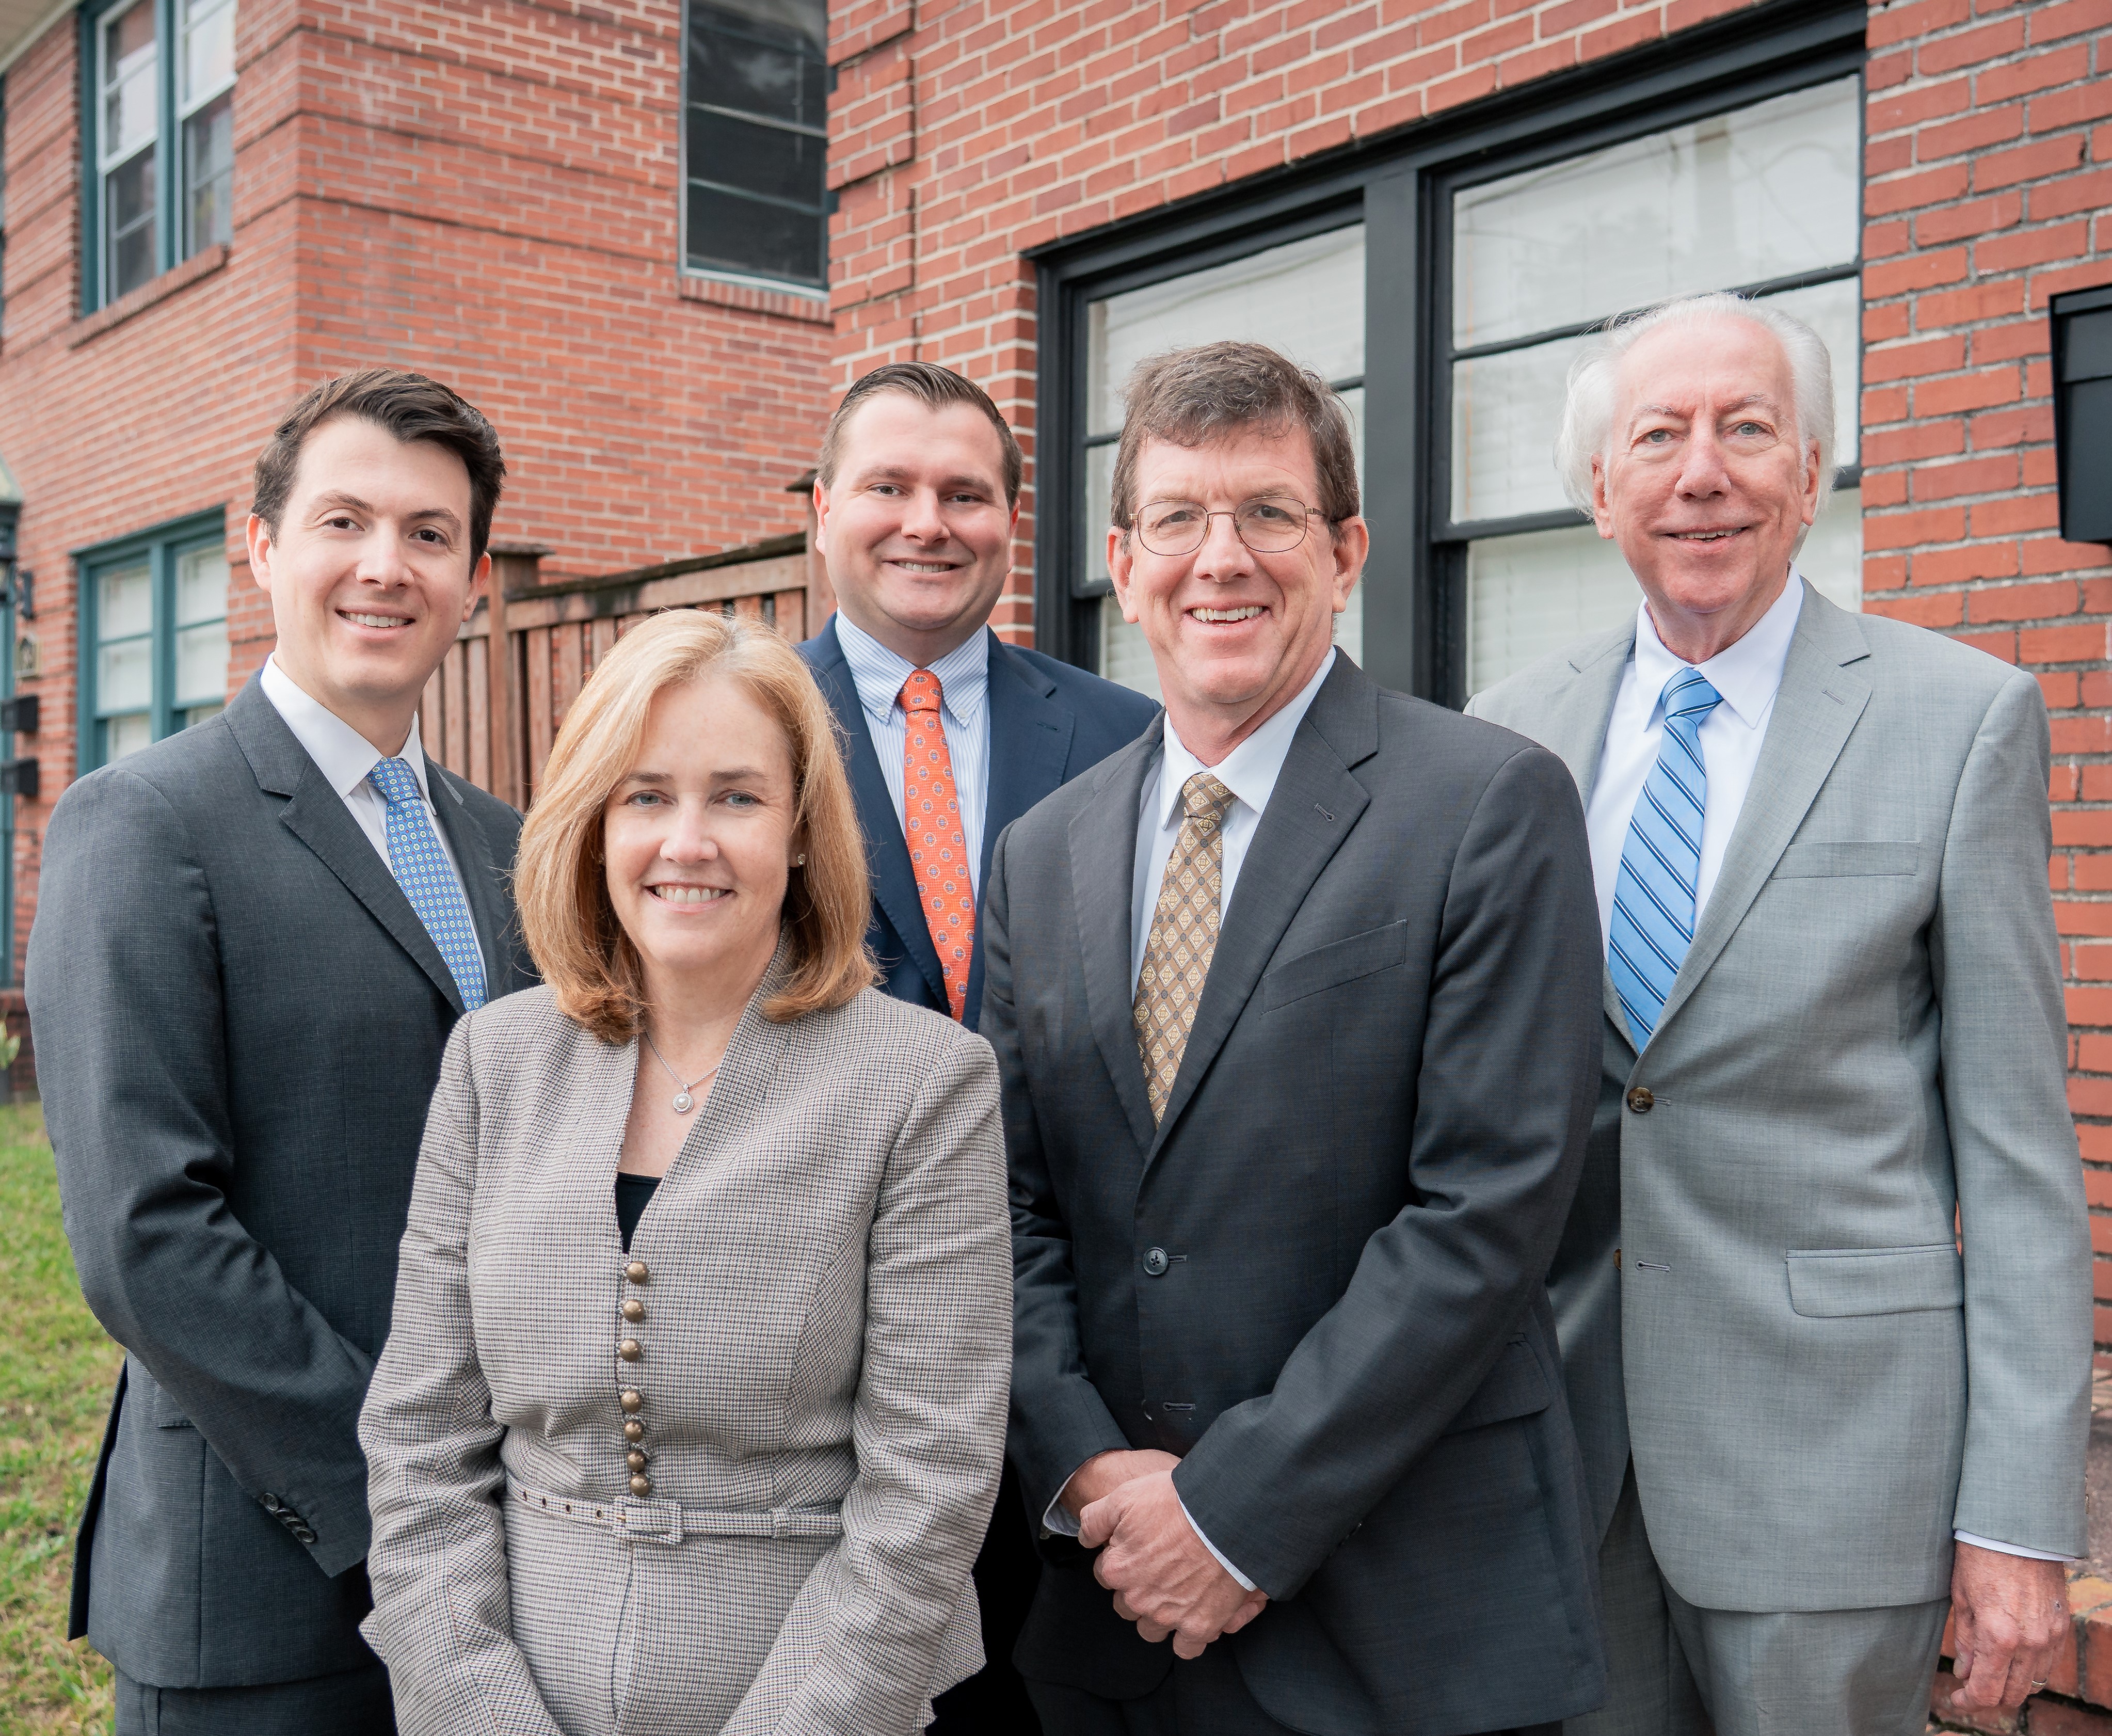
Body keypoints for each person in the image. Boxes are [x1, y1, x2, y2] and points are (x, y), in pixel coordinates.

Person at [1468, 292, 2091, 1736]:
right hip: (1563, 1464)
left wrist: (2017, 1517)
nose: (1703, 473)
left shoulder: (1961, 718)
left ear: (1811, 477)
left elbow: (2018, 1162)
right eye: (1660, 437)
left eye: (1747, 430)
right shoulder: (1506, 732)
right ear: (1601, 488)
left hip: (1839, 1471)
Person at [984, 339, 1609, 1736]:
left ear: (1345, 550)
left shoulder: (1488, 803)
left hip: (1406, 1626)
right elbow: (1003, 1207)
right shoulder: (1041, 851)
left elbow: (1484, 1211)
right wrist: (1087, 1470)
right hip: (1113, 1619)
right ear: (1122, 562)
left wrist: (1230, 1514)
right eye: (1178, 518)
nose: (1222, 557)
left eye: (1267, 511)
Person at [359, 608, 1012, 1736]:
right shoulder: (493, 1063)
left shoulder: (925, 1082)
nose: (688, 840)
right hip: (510, 1695)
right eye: (647, 795)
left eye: (738, 797)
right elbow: (420, 1447)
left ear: (801, 830)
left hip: (815, 1696)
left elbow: (929, 1490)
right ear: (595, 822)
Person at [27, 368, 535, 1733]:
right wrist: (403, 1500)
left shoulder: (510, 845)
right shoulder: (144, 823)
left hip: (512, 1574)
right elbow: (145, 1233)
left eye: (429, 533)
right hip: (269, 1575)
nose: (386, 565)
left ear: (475, 578)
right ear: (261, 546)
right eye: (342, 521)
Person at [800, 359, 1159, 1731]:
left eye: (963, 492)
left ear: (1013, 519)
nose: (926, 522)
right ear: (823, 509)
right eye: (887, 486)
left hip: (1082, 1367)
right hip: (828, 1372)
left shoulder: (1128, 736)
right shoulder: (740, 734)